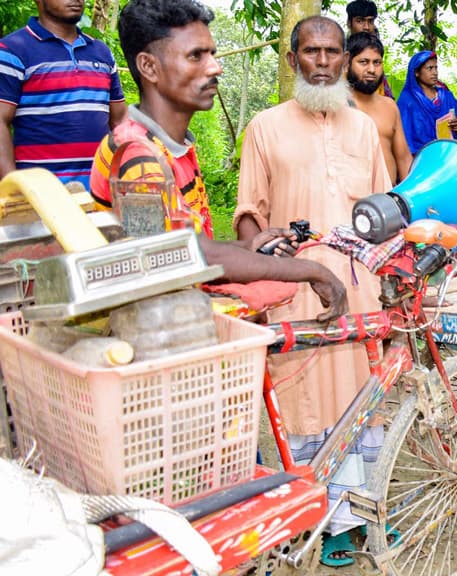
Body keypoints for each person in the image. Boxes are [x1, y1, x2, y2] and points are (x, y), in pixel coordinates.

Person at [234, 15, 390, 566]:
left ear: (345, 58)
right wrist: (262, 247)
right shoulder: (265, 127)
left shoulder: (365, 128)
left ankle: (365, 510)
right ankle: (323, 519)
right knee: (306, 406)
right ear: (292, 58)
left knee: (363, 399)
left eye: (332, 52)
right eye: (311, 51)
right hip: (296, 290)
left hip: (360, 286)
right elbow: (248, 216)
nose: (322, 62)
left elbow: (383, 209)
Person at [89, 0, 346, 320]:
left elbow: (186, 243)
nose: (215, 67)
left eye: (211, 54)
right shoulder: (137, 155)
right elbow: (175, 256)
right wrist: (311, 270)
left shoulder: (170, 147)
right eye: (196, 56)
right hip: (148, 336)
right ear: (149, 67)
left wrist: (248, 247)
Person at [0, 0, 127, 188]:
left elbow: (120, 121)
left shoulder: (101, 52)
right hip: (41, 197)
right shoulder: (13, 50)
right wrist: (12, 189)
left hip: (100, 193)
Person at [347, 32, 411, 184]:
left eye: (377, 62)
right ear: (346, 63)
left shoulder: (390, 106)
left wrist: (411, 198)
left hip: (388, 200)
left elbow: (403, 158)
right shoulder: (335, 105)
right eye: (363, 62)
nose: (371, 69)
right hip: (348, 200)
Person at [396, 50, 457, 155]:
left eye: (436, 68)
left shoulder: (446, 95)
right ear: (417, 72)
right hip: (420, 159)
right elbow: (403, 136)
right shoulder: (407, 100)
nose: (435, 72)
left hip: (448, 156)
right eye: (429, 68)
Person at [344, 0, 393, 98]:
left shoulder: (377, 49)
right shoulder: (339, 52)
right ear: (349, 23)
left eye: (370, 21)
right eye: (360, 21)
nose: (366, 27)